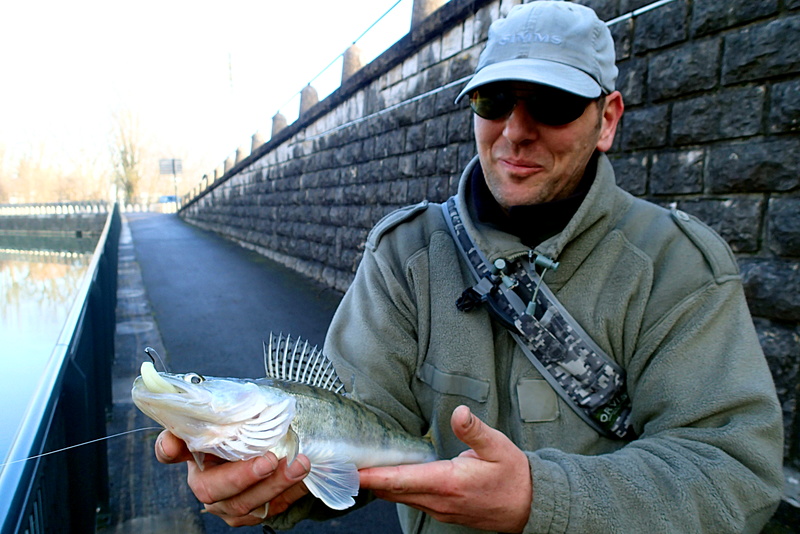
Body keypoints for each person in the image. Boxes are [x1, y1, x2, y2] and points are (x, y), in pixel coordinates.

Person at [155, 1, 785, 532]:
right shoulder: (404, 256)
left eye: (553, 103)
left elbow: (733, 473)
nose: (515, 131)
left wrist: (541, 498)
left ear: (607, 120)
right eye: (492, 100)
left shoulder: (679, 266)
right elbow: (353, 430)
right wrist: (266, 487)